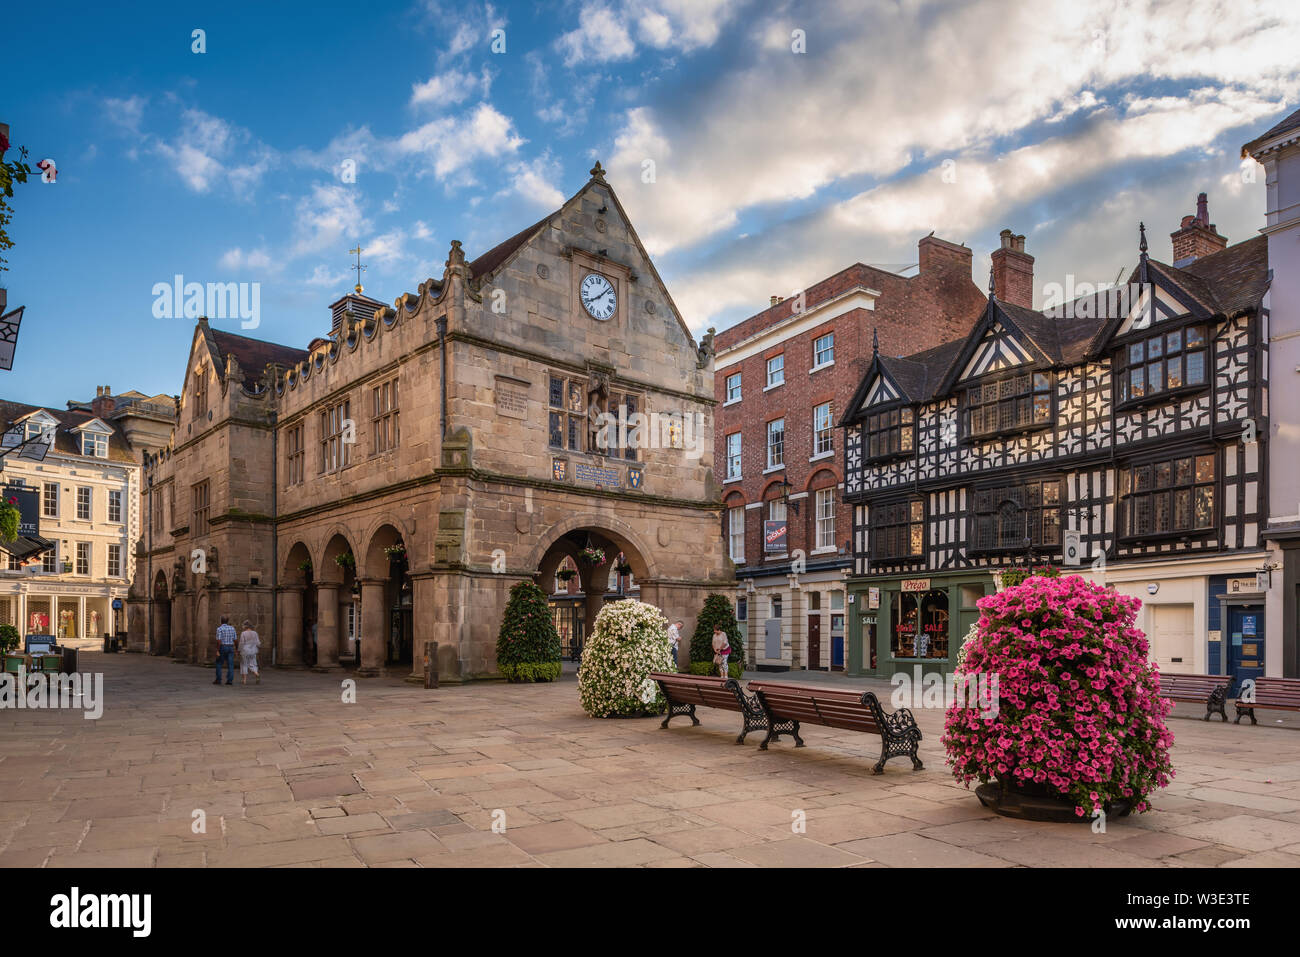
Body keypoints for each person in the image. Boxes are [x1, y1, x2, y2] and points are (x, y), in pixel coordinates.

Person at [214, 615, 237, 685]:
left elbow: (219, 641)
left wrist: (217, 650)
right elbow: (235, 640)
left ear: (221, 621)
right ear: (228, 621)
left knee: (219, 663)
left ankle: (218, 679)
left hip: (222, 647)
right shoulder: (232, 628)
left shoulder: (219, 629)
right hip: (230, 647)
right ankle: (229, 680)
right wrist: (236, 648)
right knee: (230, 664)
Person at [238, 619, 261, 685]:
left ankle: (244, 680)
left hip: (245, 650)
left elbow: (242, 643)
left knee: (244, 664)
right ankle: (256, 673)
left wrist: (239, 650)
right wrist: (258, 646)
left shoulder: (243, 633)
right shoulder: (255, 633)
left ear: (245, 626)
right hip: (253, 650)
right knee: (253, 663)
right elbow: (258, 642)